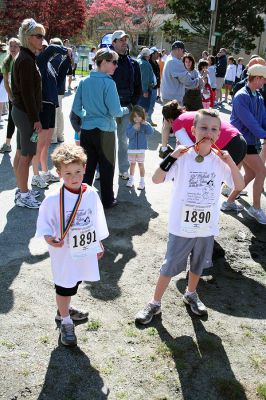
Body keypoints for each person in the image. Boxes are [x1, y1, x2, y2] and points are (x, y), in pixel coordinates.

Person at [135, 109, 244, 324]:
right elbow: (157, 179)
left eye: (214, 129)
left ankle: (191, 293)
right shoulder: (183, 156)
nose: (208, 132)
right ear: (193, 130)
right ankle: (155, 303)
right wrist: (172, 155)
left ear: (219, 134)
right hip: (181, 225)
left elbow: (239, 185)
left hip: (206, 226)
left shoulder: (219, 161)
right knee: (169, 265)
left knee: (198, 264)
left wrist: (231, 162)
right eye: (203, 127)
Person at [35, 144, 109, 346]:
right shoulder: (53, 198)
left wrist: (99, 242)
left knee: (75, 281)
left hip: (83, 249)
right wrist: (48, 237)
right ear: (58, 173)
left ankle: (64, 308)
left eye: (77, 172)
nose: (74, 177)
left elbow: (97, 219)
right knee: (64, 284)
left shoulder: (91, 193)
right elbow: (44, 223)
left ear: (85, 169)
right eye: (67, 173)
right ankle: (65, 320)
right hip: (64, 252)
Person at [72, 48, 129, 209]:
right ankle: (107, 200)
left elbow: (76, 108)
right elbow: (115, 111)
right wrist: (127, 109)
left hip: (87, 130)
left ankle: (81, 199)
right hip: (106, 131)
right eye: (114, 62)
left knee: (87, 167)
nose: (116, 66)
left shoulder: (84, 81)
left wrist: (88, 115)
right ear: (103, 62)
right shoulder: (109, 83)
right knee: (107, 167)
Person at [221, 64, 266, 224]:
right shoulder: (241, 96)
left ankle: (229, 202)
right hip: (240, 141)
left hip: (250, 141)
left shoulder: (258, 96)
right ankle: (255, 208)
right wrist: (264, 134)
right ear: (257, 78)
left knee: (252, 173)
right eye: (263, 79)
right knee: (261, 171)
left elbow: (262, 119)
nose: (264, 82)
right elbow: (250, 123)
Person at [12, 18, 44, 208]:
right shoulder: (25, 59)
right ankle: (23, 195)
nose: (41, 39)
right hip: (25, 114)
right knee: (27, 156)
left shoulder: (27, 57)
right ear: (28, 37)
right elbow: (27, 94)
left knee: (21, 153)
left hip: (22, 112)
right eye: (38, 36)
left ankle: (21, 189)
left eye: (43, 36)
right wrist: (35, 119)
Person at [159, 101, 247, 167]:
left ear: (169, 120)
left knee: (211, 182)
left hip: (229, 144)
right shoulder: (190, 114)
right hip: (239, 138)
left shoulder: (177, 123)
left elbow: (192, 150)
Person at [31, 41, 69, 189]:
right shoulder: (39, 60)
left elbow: (59, 81)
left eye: (45, 47)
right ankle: (35, 175)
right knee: (40, 144)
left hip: (51, 105)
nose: (45, 49)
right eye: (43, 47)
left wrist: (67, 60)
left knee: (46, 143)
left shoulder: (50, 65)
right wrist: (65, 49)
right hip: (43, 105)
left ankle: (45, 171)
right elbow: (53, 48)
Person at [111, 30, 142, 180]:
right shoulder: (107, 61)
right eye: (120, 40)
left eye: (125, 40)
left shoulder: (134, 63)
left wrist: (132, 104)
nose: (124, 42)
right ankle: (100, 169)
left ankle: (123, 169)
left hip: (126, 108)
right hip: (108, 109)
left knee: (123, 140)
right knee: (105, 140)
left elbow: (138, 87)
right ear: (114, 43)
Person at [160, 41, 200, 105]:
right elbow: (187, 81)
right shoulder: (175, 62)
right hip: (173, 99)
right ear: (178, 50)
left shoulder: (169, 58)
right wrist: (198, 80)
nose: (183, 54)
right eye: (183, 52)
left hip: (168, 97)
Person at [50, 37, 72, 144]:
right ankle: (60, 135)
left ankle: (53, 137)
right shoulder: (63, 58)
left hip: (54, 89)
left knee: (53, 113)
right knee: (59, 113)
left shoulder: (53, 59)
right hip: (61, 90)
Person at [0, 38, 20, 153]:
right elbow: (6, 82)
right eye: (11, 46)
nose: (13, 48)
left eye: (16, 46)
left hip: (25, 96)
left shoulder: (23, 60)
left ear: (20, 47)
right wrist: (11, 97)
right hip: (13, 96)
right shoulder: (7, 61)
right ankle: (7, 144)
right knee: (12, 119)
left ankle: (27, 145)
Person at [126, 105, 153, 190]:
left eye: (139, 116)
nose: (137, 118)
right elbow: (128, 135)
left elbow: (151, 132)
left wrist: (147, 124)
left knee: (141, 165)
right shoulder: (130, 124)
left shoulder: (144, 125)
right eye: (135, 116)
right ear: (132, 117)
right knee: (132, 164)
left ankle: (142, 182)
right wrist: (133, 128)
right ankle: (131, 179)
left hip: (141, 149)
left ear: (142, 116)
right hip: (131, 149)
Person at [137, 48, 154, 115]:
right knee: (143, 110)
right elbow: (144, 79)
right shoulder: (145, 64)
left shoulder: (139, 61)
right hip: (144, 90)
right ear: (147, 55)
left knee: (139, 109)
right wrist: (145, 91)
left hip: (139, 89)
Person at [148, 47, 160, 126]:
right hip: (150, 88)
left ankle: (149, 119)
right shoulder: (148, 63)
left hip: (155, 87)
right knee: (148, 105)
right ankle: (147, 120)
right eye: (156, 53)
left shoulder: (156, 63)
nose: (158, 54)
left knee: (152, 104)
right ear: (152, 54)